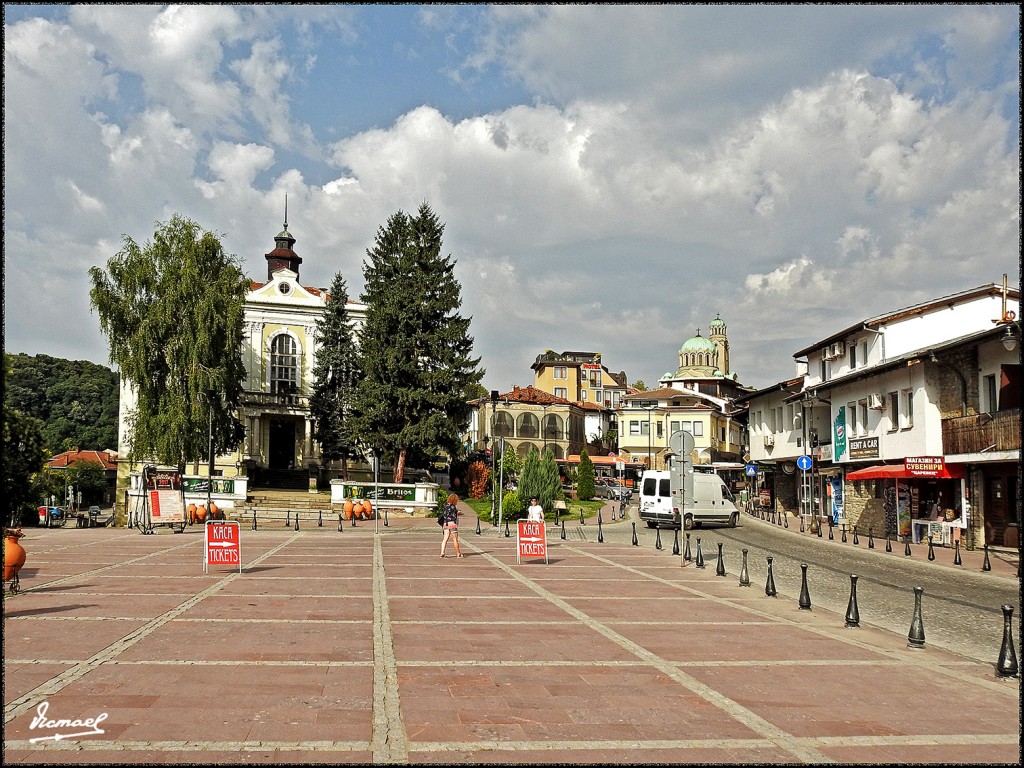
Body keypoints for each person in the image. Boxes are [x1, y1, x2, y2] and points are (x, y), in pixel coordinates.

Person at [440, 493, 462, 558]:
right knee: (455, 539)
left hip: (445, 523)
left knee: (445, 539)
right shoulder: (453, 506)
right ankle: (458, 554)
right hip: (452, 523)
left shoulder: (445, 506)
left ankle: (442, 553)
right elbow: (454, 514)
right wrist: (458, 512)